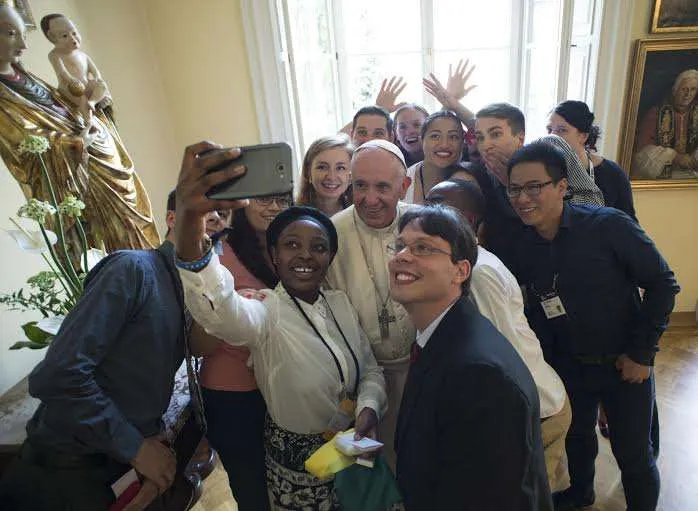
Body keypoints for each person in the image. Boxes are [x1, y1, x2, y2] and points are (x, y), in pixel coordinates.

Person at [174, 142, 387, 510]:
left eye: (318, 247)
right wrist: (189, 219)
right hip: (298, 468)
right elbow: (222, 310)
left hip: (349, 446)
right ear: (274, 256)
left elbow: (370, 369)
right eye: (291, 244)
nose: (305, 254)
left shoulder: (339, 303)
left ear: (329, 257)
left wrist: (368, 408)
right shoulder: (266, 309)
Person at [0, 192, 222, 509]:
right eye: (204, 209)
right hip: (64, 476)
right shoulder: (133, 270)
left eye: (225, 213)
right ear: (172, 219)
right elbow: (57, 376)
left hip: (117, 474)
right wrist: (137, 449)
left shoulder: (189, 292)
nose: (217, 218)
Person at [506, 141, 680, 511]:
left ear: (562, 187)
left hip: (623, 363)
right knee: (576, 437)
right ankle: (581, 493)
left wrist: (642, 353)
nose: (523, 198)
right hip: (567, 364)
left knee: (633, 454)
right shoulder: (521, 244)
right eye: (515, 189)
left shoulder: (608, 226)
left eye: (534, 186)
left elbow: (663, 283)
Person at [390, 205, 552, 510]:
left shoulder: (479, 373)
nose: (402, 256)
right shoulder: (441, 335)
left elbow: (485, 496)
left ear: (461, 271)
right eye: (400, 246)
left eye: (423, 248)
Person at [425, 179, 571, 490]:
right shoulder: (463, 265)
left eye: (437, 206)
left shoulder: (479, 273)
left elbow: (498, 354)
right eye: (426, 203)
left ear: (466, 219)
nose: (425, 213)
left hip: (536, 410)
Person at [0, 5, 160, 258]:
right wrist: (75, 143)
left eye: (23, 34)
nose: (24, 45)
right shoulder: (4, 98)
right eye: (11, 33)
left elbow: (65, 106)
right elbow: (24, 145)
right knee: (116, 239)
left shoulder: (27, 78)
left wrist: (95, 102)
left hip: (102, 148)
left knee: (133, 219)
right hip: (79, 169)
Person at [184, 194, 291, 510]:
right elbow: (197, 345)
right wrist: (226, 311)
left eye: (282, 199)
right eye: (263, 199)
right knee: (253, 492)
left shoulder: (293, 244)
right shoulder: (218, 252)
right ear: (242, 201)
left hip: (282, 386)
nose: (273, 207)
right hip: (234, 393)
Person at [326, 138, 414, 469]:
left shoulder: (422, 226)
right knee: (376, 462)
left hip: (420, 370)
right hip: (362, 377)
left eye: (383, 187)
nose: (370, 199)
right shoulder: (331, 233)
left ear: (404, 186)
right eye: (360, 186)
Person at [472, 103, 603, 266]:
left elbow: (594, 204)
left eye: (496, 134)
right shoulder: (481, 174)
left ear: (520, 138)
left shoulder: (550, 149)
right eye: (480, 137)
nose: (486, 145)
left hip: (574, 257)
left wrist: (514, 184)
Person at [548, 100, 636, 219]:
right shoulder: (543, 171)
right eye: (549, 130)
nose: (553, 136)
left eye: (562, 130)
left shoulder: (613, 174)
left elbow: (628, 223)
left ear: (583, 136)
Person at [41, 14, 110, 127]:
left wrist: (97, 78)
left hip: (86, 85)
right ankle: (88, 122)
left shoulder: (82, 55)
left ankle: (92, 102)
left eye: (74, 33)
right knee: (81, 97)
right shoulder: (54, 55)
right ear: (52, 37)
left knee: (102, 85)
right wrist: (71, 80)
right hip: (70, 88)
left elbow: (94, 70)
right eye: (64, 36)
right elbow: (62, 72)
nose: (72, 38)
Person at [634, 69, 698, 179]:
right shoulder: (655, 114)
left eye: (693, 89)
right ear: (674, 90)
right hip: (664, 175)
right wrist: (675, 157)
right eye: (684, 89)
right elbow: (641, 153)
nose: (688, 94)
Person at [404, 110, 465, 204]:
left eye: (453, 137)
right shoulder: (402, 179)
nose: (444, 145)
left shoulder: (468, 181)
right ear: (422, 140)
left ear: (462, 143)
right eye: (435, 136)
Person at [296, 134, 353, 217]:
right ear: (308, 172)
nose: (331, 177)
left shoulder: (360, 216)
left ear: (351, 176)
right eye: (322, 167)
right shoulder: (293, 218)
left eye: (340, 168)